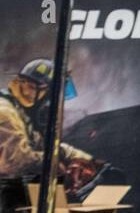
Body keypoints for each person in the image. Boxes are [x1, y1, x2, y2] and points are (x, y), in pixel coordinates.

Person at [0, 59, 104, 195]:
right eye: (48, 96)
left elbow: (42, 145)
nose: (47, 102)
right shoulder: (5, 112)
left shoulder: (19, 111)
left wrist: (85, 159)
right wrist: (56, 165)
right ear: (32, 88)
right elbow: (15, 161)